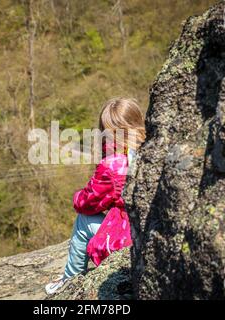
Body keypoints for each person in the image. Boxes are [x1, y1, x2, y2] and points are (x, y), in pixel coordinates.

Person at [45, 98, 146, 295]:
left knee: (84, 221)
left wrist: (76, 197)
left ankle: (70, 279)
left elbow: (88, 203)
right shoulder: (153, 145)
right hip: (146, 232)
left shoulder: (114, 165)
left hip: (126, 240)